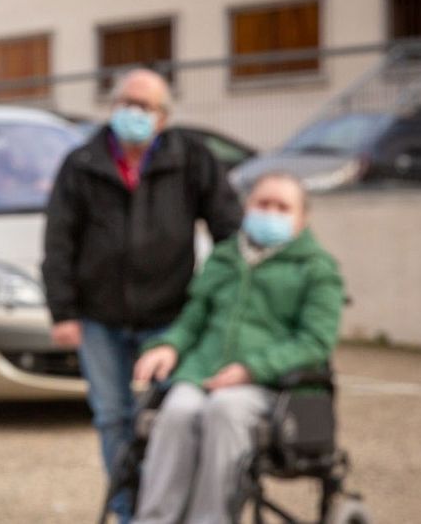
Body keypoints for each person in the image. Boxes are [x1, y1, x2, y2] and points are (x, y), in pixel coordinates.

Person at [41, 68, 243, 521]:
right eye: (125, 103)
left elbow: (229, 233)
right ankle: (129, 511)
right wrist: (62, 310)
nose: (133, 113)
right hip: (99, 318)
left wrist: (212, 300)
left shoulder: (191, 159)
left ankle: (165, 509)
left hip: (169, 317)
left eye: (144, 106)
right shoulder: (82, 163)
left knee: (173, 419)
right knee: (112, 418)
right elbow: (59, 241)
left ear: (163, 117)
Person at [131, 173, 345, 524]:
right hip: (203, 372)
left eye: (282, 207)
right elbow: (193, 320)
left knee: (225, 409)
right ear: (247, 208)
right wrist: (168, 346)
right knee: (178, 410)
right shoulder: (224, 258)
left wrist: (250, 369)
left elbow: (315, 342)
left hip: (271, 386)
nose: (270, 213)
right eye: (263, 204)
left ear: (302, 218)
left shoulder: (317, 269)